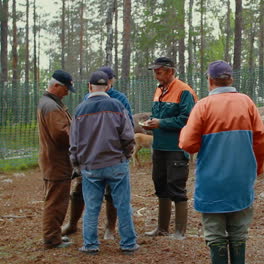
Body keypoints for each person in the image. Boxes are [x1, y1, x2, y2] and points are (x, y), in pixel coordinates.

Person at [179, 60, 264, 263]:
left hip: (212, 182)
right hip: (241, 180)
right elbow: (260, 139)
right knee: (239, 233)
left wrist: (186, 129)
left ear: (210, 81)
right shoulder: (246, 103)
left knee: (215, 234)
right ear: (231, 79)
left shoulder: (203, 106)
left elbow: (187, 144)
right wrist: (257, 169)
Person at [69, 71, 138, 254]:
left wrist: (77, 164)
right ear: (107, 86)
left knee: (91, 207)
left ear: (89, 86)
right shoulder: (117, 105)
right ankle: (128, 244)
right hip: (116, 163)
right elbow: (128, 136)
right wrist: (125, 156)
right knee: (123, 205)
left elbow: (74, 143)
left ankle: (90, 245)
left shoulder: (80, 109)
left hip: (90, 166)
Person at [142, 57, 198, 240]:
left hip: (176, 146)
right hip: (159, 146)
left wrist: (161, 123)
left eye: (159, 72)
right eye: (155, 72)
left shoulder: (184, 91)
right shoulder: (160, 89)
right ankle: (162, 228)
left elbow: (188, 119)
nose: (156, 75)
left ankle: (180, 232)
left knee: (176, 186)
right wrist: (151, 122)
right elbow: (159, 115)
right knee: (160, 184)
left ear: (170, 71)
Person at [37, 69, 76, 249]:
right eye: (66, 88)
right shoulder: (52, 107)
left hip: (52, 160)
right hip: (57, 161)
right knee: (56, 201)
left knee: (55, 198)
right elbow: (62, 134)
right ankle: (52, 239)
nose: (67, 91)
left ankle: (54, 233)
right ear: (56, 86)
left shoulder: (49, 103)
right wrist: (79, 136)